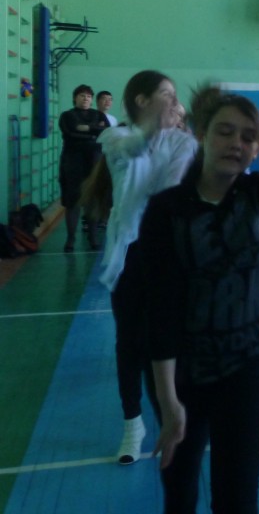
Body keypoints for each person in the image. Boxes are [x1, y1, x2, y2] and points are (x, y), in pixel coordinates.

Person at [142, 8, 259, 511]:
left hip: (248, 367)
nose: (236, 143)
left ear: (257, 149)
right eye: (225, 132)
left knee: (238, 499)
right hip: (181, 372)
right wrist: (168, 402)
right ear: (201, 135)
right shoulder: (168, 209)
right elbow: (158, 309)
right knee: (179, 494)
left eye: (248, 136)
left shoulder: (258, 196)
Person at [84, 72, 197, 465]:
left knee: (168, 342)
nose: (173, 101)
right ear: (141, 101)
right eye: (165, 95)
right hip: (129, 255)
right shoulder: (115, 136)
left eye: (175, 96)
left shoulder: (183, 143)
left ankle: (173, 414)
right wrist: (155, 126)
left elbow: (171, 193)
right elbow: (135, 150)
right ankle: (133, 423)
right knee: (129, 343)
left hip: (168, 256)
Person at [59, 84, 110, 252]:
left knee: (93, 200)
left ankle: (93, 237)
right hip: (72, 162)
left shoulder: (99, 114)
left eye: (88, 96)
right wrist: (95, 131)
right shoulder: (67, 115)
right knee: (72, 201)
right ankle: (70, 239)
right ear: (75, 98)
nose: (85, 98)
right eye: (82, 95)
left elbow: (106, 132)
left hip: (94, 161)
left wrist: (88, 128)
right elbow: (70, 133)